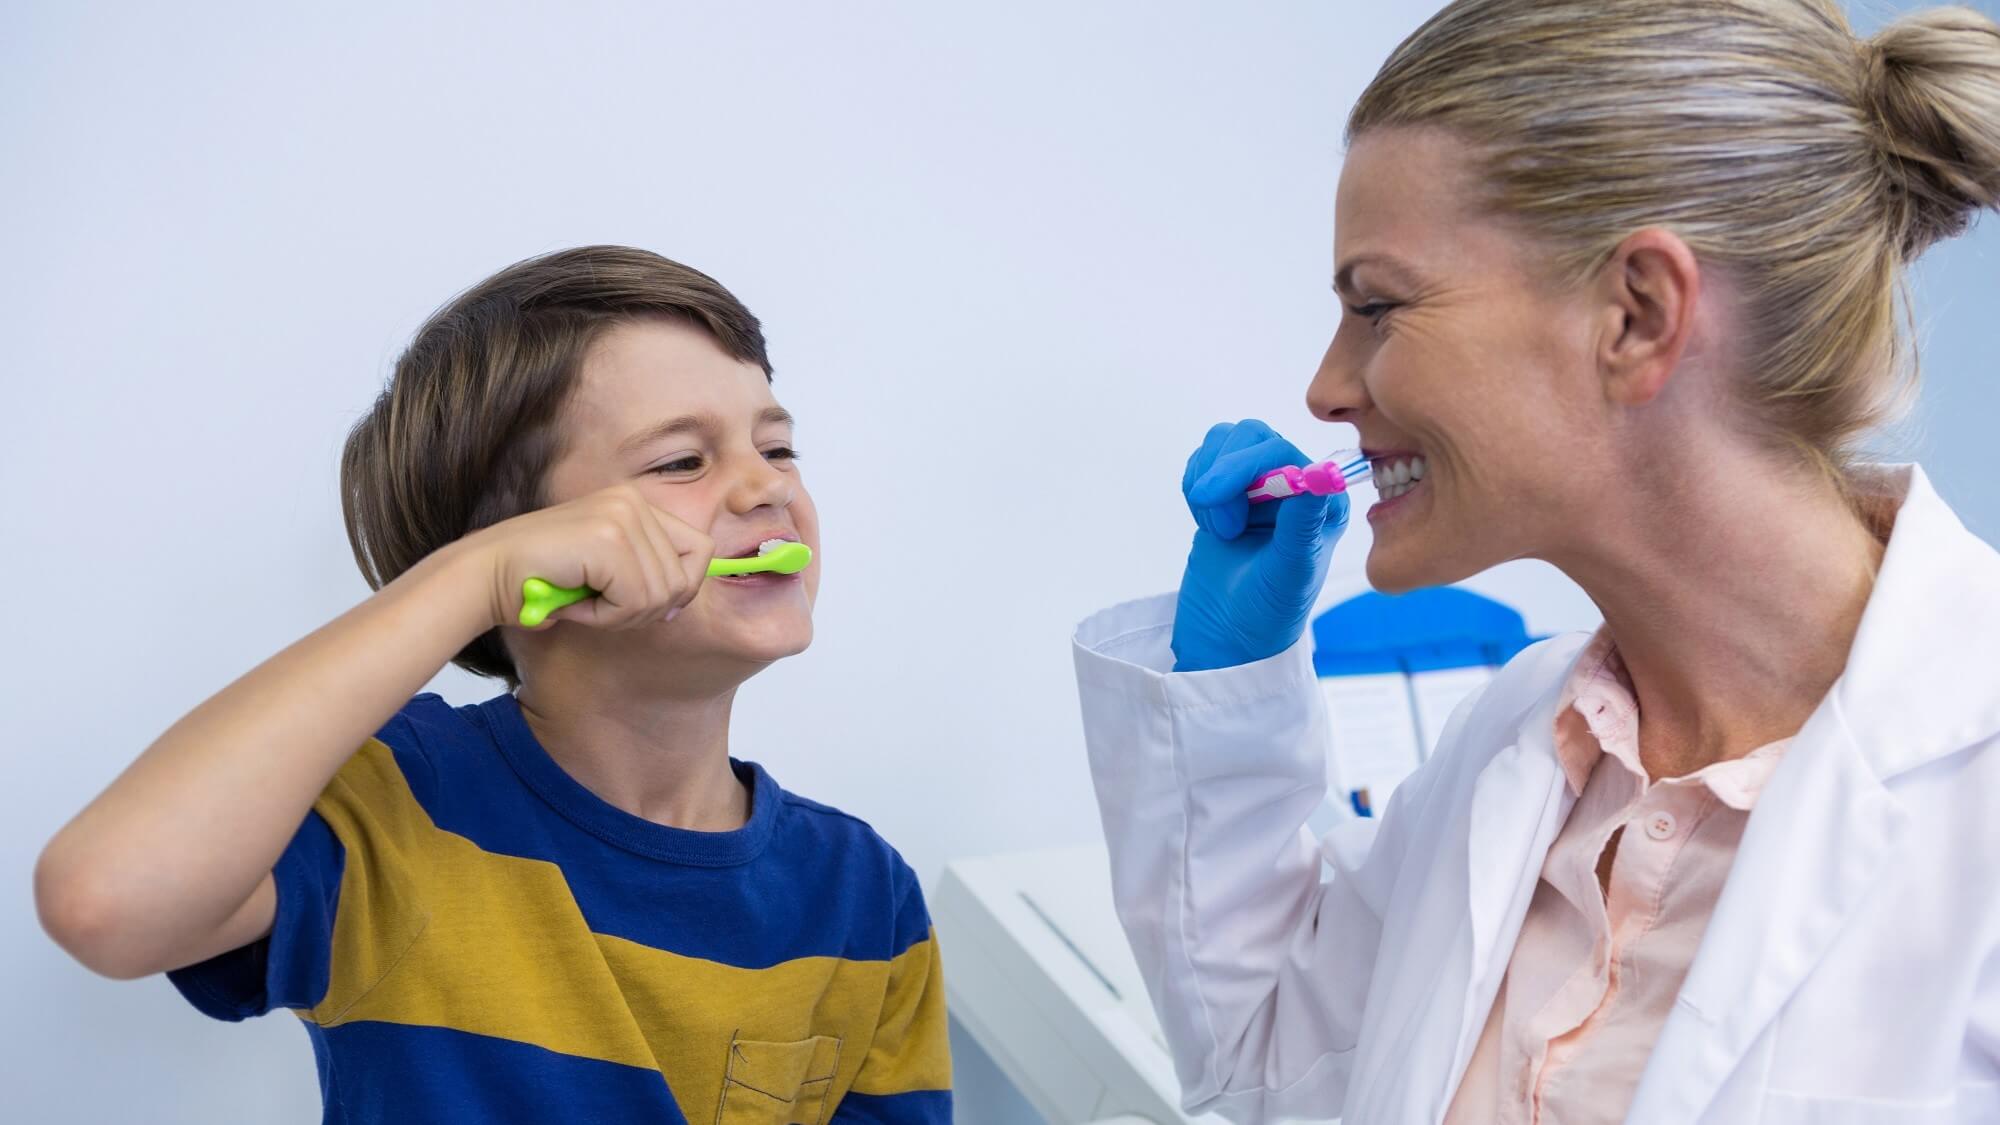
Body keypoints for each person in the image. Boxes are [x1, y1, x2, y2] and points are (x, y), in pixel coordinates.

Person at [1073, 2, 2000, 1122]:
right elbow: (1273, 1055)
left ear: (1637, 316)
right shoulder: (1523, 741)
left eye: (1378, 308)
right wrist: (1225, 691)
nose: (1325, 388)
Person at [36, 245, 952, 1124]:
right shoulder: (397, 807)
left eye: (778, 448)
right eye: (682, 460)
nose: (767, 487)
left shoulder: (864, 894)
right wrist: (470, 580)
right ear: (535, 551)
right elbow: (104, 899)